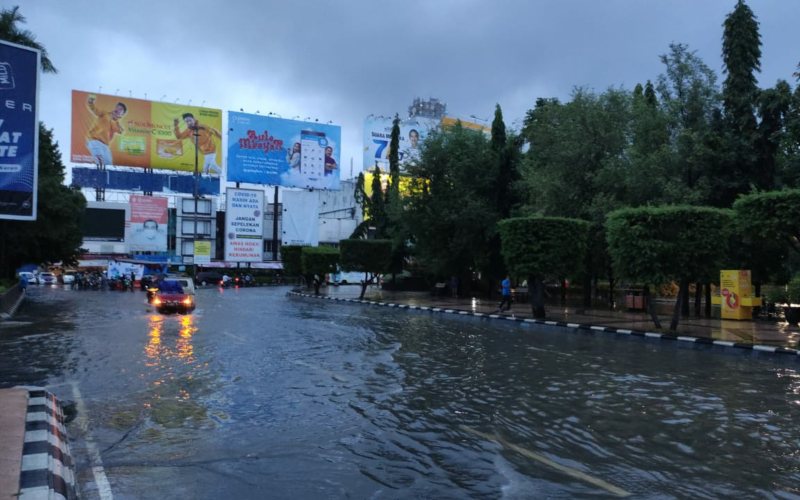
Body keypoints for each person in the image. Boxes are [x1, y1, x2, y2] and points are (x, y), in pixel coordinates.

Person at [85, 95, 127, 168]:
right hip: (94, 140)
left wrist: (115, 119)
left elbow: (121, 131)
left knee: (109, 164)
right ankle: (97, 175)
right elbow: (95, 110)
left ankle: (104, 178)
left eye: (121, 109)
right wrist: (90, 102)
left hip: (105, 146)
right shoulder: (105, 113)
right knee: (100, 161)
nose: (118, 109)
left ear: (122, 114)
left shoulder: (116, 123)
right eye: (118, 107)